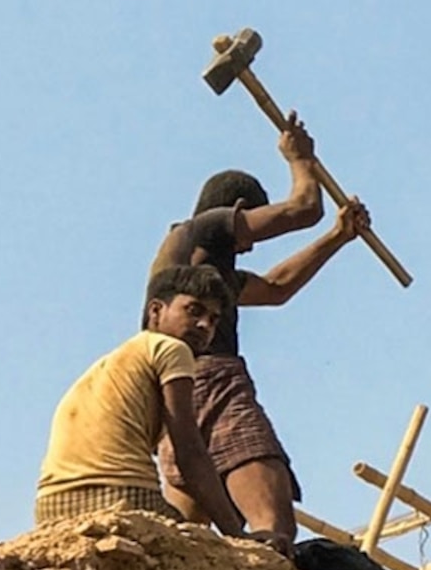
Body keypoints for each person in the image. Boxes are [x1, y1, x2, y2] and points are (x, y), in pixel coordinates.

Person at [144, 113, 373, 548]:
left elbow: (276, 287)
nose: (251, 243)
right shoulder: (201, 232)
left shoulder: (200, 269)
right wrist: (300, 159)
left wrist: (338, 237)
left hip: (172, 398)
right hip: (213, 383)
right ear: (237, 213)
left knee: (188, 545)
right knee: (275, 529)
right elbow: (303, 207)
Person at [33, 267, 263, 537]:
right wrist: (237, 536)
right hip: (120, 495)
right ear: (156, 311)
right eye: (194, 310)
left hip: (50, 508)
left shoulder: (110, 365)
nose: (205, 326)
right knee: (203, 549)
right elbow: (188, 451)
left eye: (213, 320)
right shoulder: (171, 349)